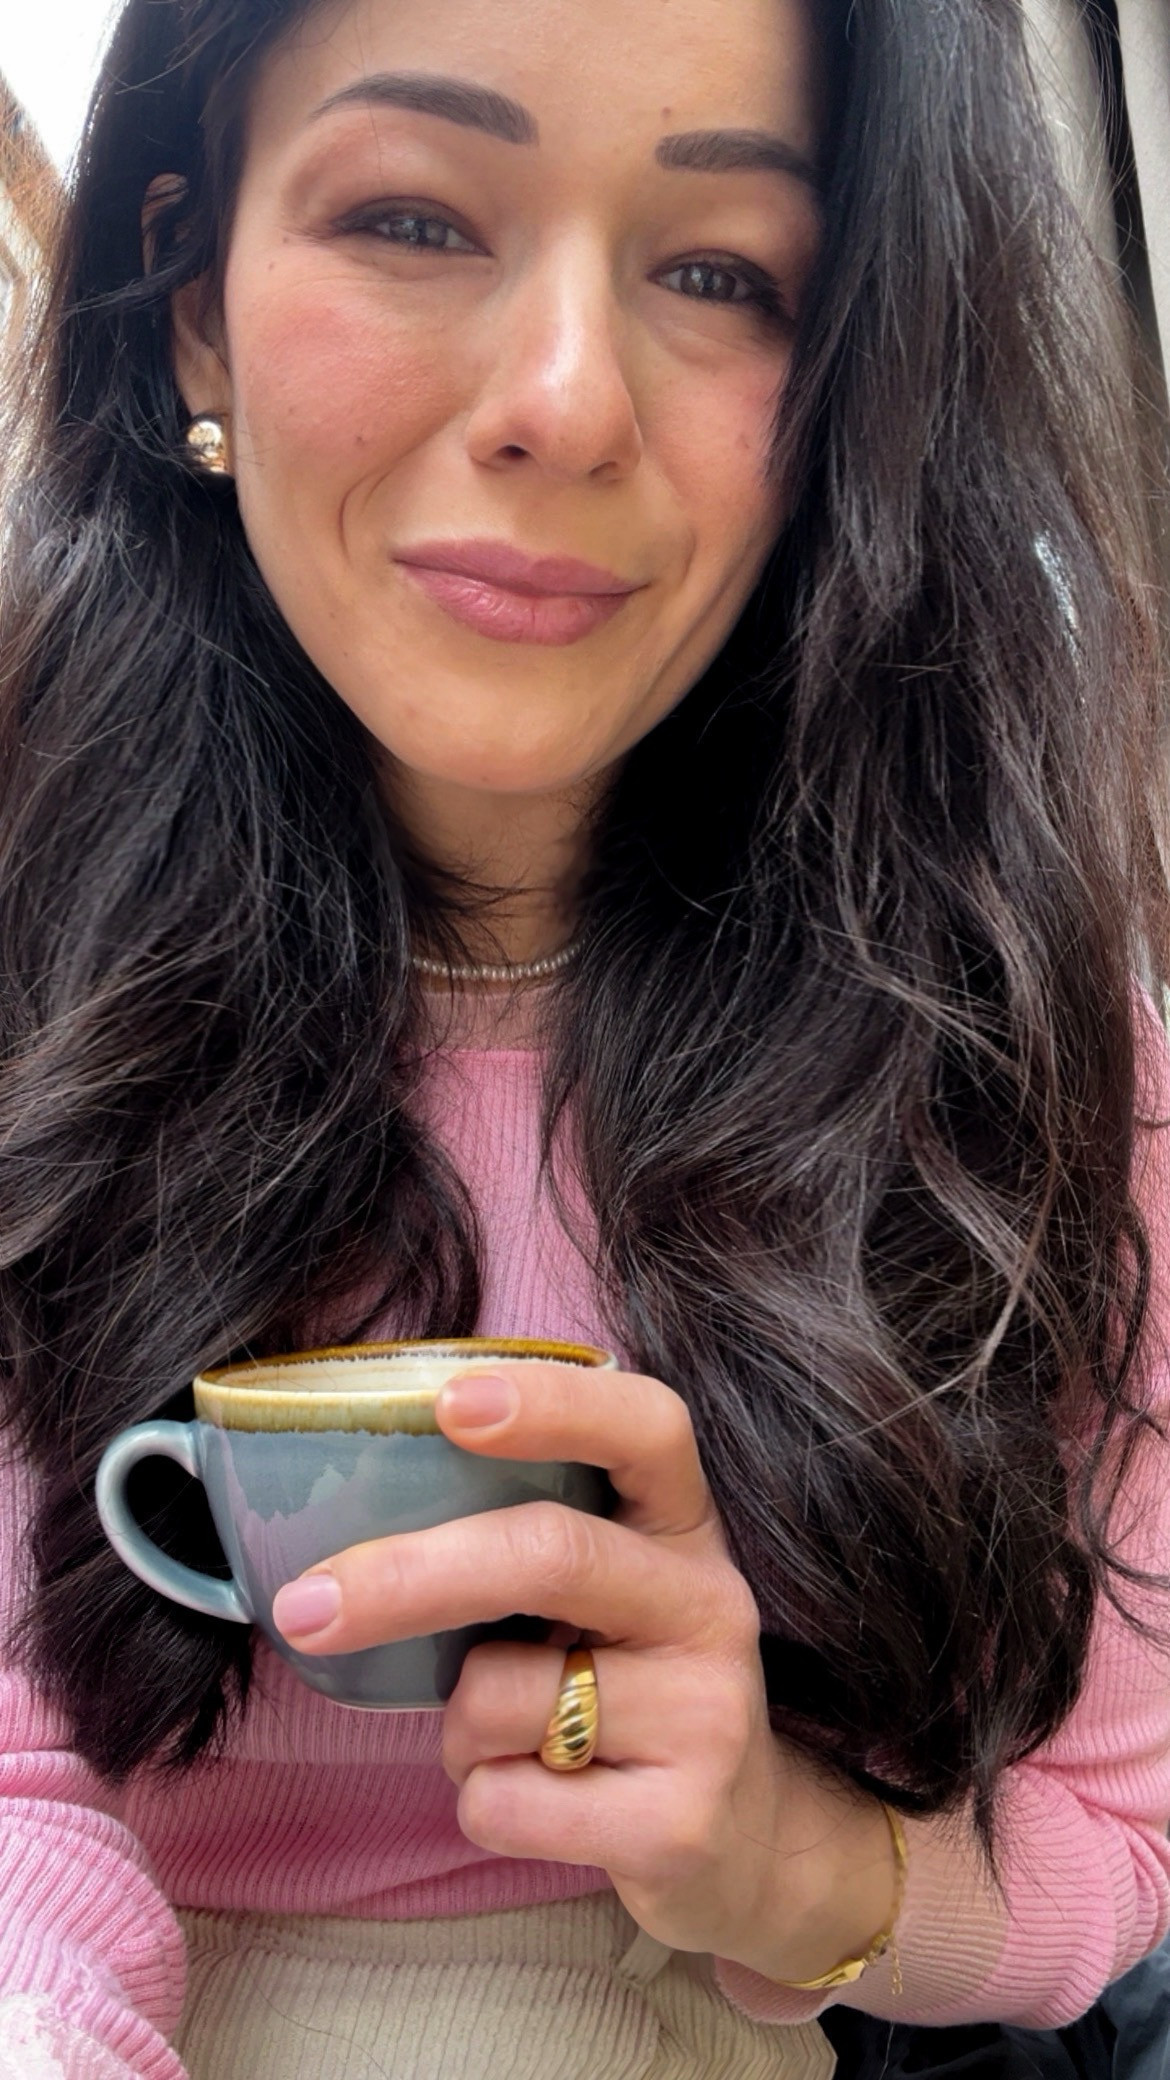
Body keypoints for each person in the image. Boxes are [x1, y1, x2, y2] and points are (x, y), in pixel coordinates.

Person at [0, 0, 1168, 2073]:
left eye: (723, 273)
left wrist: (789, 1860)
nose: (564, 401)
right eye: (412, 218)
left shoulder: (1033, 1046)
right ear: (190, 308)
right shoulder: (35, 961)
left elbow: (1118, 1835)